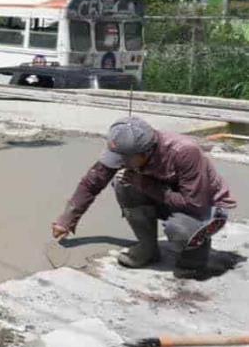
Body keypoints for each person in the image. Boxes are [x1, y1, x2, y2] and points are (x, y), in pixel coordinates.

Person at [52, 116, 235, 280]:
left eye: (126, 159)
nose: (121, 162)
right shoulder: (127, 150)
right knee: (124, 183)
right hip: (170, 198)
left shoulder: (184, 152)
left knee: (179, 230)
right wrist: (67, 220)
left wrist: (146, 185)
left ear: (146, 152)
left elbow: (195, 204)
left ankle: (194, 263)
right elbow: (92, 182)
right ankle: (148, 249)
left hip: (206, 207)